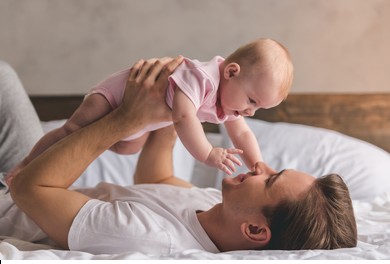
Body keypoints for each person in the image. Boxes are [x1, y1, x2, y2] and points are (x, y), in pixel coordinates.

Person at [0, 58, 356, 255]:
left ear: (254, 230)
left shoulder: (149, 239)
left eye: (270, 179)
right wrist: (178, 101)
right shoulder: (211, 211)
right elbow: (156, 181)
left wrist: (126, 119)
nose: (259, 167)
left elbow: (31, 188)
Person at [8, 38, 293, 182]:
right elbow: (183, 117)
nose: (250, 112)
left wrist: (257, 162)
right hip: (114, 97)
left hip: (136, 122)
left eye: (259, 108)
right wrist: (208, 153)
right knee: (71, 132)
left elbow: (242, 135)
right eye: (252, 101)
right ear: (231, 72)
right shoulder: (202, 78)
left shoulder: (231, 106)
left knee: (127, 148)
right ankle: (24, 165)